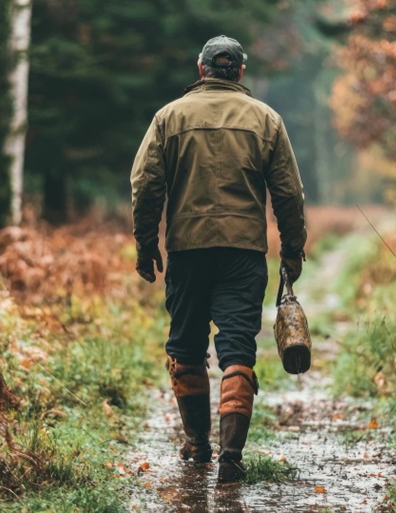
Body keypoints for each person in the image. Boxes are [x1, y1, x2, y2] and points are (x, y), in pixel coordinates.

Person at [130, 35, 307, 483]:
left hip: (187, 251)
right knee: (237, 349)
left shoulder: (169, 117)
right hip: (243, 254)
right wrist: (291, 250)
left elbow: (145, 185)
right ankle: (231, 455)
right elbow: (288, 193)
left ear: (201, 68)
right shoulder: (266, 120)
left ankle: (196, 444)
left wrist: (146, 243)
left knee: (186, 347)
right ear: (241, 72)